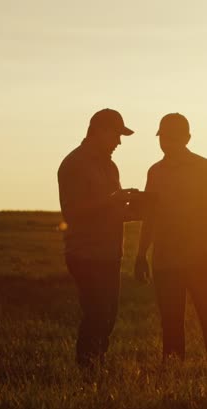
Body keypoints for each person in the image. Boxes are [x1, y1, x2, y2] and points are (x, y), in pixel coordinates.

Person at [58, 109, 135, 369]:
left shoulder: (109, 165)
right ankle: (87, 372)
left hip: (109, 254)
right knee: (97, 314)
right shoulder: (74, 164)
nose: (119, 142)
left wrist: (140, 208)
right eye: (116, 135)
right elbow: (72, 211)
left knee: (108, 316)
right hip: (86, 254)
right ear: (100, 131)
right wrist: (111, 201)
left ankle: (97, 367)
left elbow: (112, 211)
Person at [135, 113, 207, 361]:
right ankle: (173, 378)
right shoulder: (155, 172)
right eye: (164, 137)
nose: (167, 143)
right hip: (165, 260)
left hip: (200, 260)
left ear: (187, 138)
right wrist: (141, 254)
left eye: (173, 138)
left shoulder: (203, 167)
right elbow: (149, 216)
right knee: (171, 323)